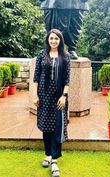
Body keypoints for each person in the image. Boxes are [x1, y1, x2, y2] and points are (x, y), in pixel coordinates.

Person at [33, 28, 70, 177]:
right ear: (48, 40)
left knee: (57, 127)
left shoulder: (65, 57)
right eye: (51, 38)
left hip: (58, 97)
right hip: (43, 96)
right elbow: (36, 77)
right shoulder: (41, 55)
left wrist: (64, 96)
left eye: (56, 39)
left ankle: (54, 161)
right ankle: (48, 154)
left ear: (60, 41)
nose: (53, 41)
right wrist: (35, 96)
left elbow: (67, 79)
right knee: (45, 127)